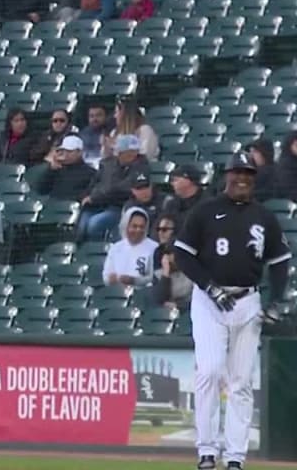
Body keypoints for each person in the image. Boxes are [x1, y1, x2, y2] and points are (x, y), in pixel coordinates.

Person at [173, 152, 292, 470]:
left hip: (247, 300)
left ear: (254, 178)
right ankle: (207, 450)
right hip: (209, 300)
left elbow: (280, 261)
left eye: (248, 173)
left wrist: (276, 301)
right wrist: (210, 287)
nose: (242, 178)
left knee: (240, 381)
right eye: (237, 172)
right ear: (226, 176)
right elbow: (183, 255)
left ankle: (235, 456)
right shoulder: (205, 211)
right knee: (210, 371)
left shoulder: (264, 216)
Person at [103, 207, 159, 287]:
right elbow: (106, 277)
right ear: (126, 226)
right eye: (134, 226)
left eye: (142, 227)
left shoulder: (154, 248)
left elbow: (155, 278)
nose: (138, 230)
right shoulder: (116, 248)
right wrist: (111, 279)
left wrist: (133, 280)